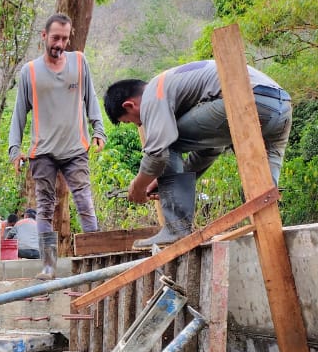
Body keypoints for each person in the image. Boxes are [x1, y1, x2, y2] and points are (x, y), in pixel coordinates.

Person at [103, 61, 292, 250]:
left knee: (167, 142)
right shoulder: (173, 85)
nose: (139, 125)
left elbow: (159, 153)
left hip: (246, 99)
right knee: (263, 187)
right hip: (280, 106)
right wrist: (166, 184)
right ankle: (270, 230)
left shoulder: (153, 93)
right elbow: (210, 149)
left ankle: (176, 229)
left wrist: (138, 187)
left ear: (130, 105)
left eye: (131, 121)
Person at [7, 13, 106, 279]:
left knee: (84, 201)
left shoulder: (79, 62)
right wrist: (14, 150)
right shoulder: (30, 72)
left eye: (64, 38)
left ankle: (94, 257)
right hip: (43, 151)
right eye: (55, 38)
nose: (59, 44)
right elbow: (19, 113)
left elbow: (90, 98)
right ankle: (49, 265)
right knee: (45, 207)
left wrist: (99, 129)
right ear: (44, 36)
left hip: (75, 148)